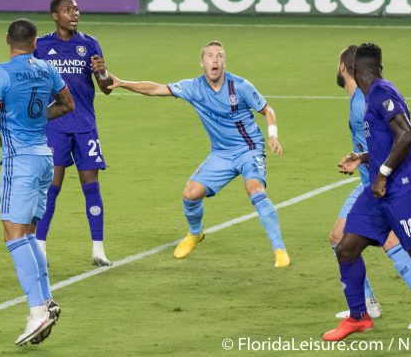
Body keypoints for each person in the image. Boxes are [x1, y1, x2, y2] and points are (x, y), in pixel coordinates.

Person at [107, 41, 289, 267]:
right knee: (190, 194)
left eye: (220, 56)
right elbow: (155, 89)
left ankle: (279, 249)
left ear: (224, 62)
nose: (215, 60)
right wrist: (123, 83)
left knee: (255, 190)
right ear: (201, 63)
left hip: (249, 149)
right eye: (210, 56)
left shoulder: (240, 86)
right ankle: (195, 234)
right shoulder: (193, 87)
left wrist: (273, 135)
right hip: (221, 154)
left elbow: (267, 110)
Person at [324, 43, 411, 347]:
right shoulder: (373, 95)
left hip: (404, 188)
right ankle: (359, 317)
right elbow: (390, 141)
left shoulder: (382, 93)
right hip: (379, 191)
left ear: (356, 70)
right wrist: (364, 158)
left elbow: (406, 135)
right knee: (346, 247)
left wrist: (382, 173)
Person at [0, 18, 74, 345]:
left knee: (13, 233)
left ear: (8, 39)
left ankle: (37, 310)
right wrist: (38, 116)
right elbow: (67, 103)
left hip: (18, 161)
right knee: (29, 232)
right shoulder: (46, 69)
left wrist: (5, 110)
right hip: (45, 158)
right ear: (35, 43)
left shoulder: (1, 72)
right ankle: (46, 299)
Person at [33, 0, 113, 266]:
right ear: (55, 16)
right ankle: (40, 246)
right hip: (54, 127)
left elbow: (106, 87)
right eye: (68, 10)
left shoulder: (89, 44)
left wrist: (102, 73)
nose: (75, 13)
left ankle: (98, 249)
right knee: (50, 187)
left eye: (76, 9)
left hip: (85, 126)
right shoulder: (42, 46)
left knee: (91, 187)